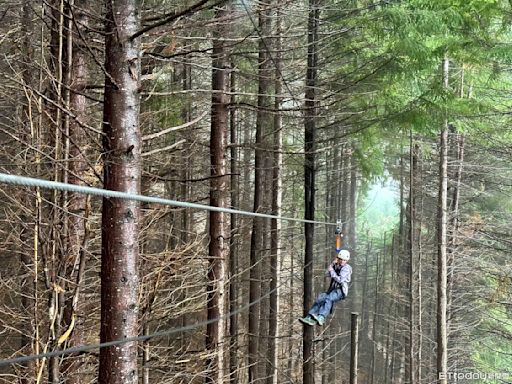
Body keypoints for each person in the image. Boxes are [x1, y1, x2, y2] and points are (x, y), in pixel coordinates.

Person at [299, 249, 352, 326]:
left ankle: (321, 317)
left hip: (340, 290)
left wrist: (332, 272)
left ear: (346, 260)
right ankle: (310, 316)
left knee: (329, 299)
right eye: (340, 259)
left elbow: (340, 280)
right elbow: (327, 274)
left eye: (344, 260)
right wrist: (332, 265)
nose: (342, 261)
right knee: (320, 299)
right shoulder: (336, 266)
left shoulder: (346, 268)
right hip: (332, 289)